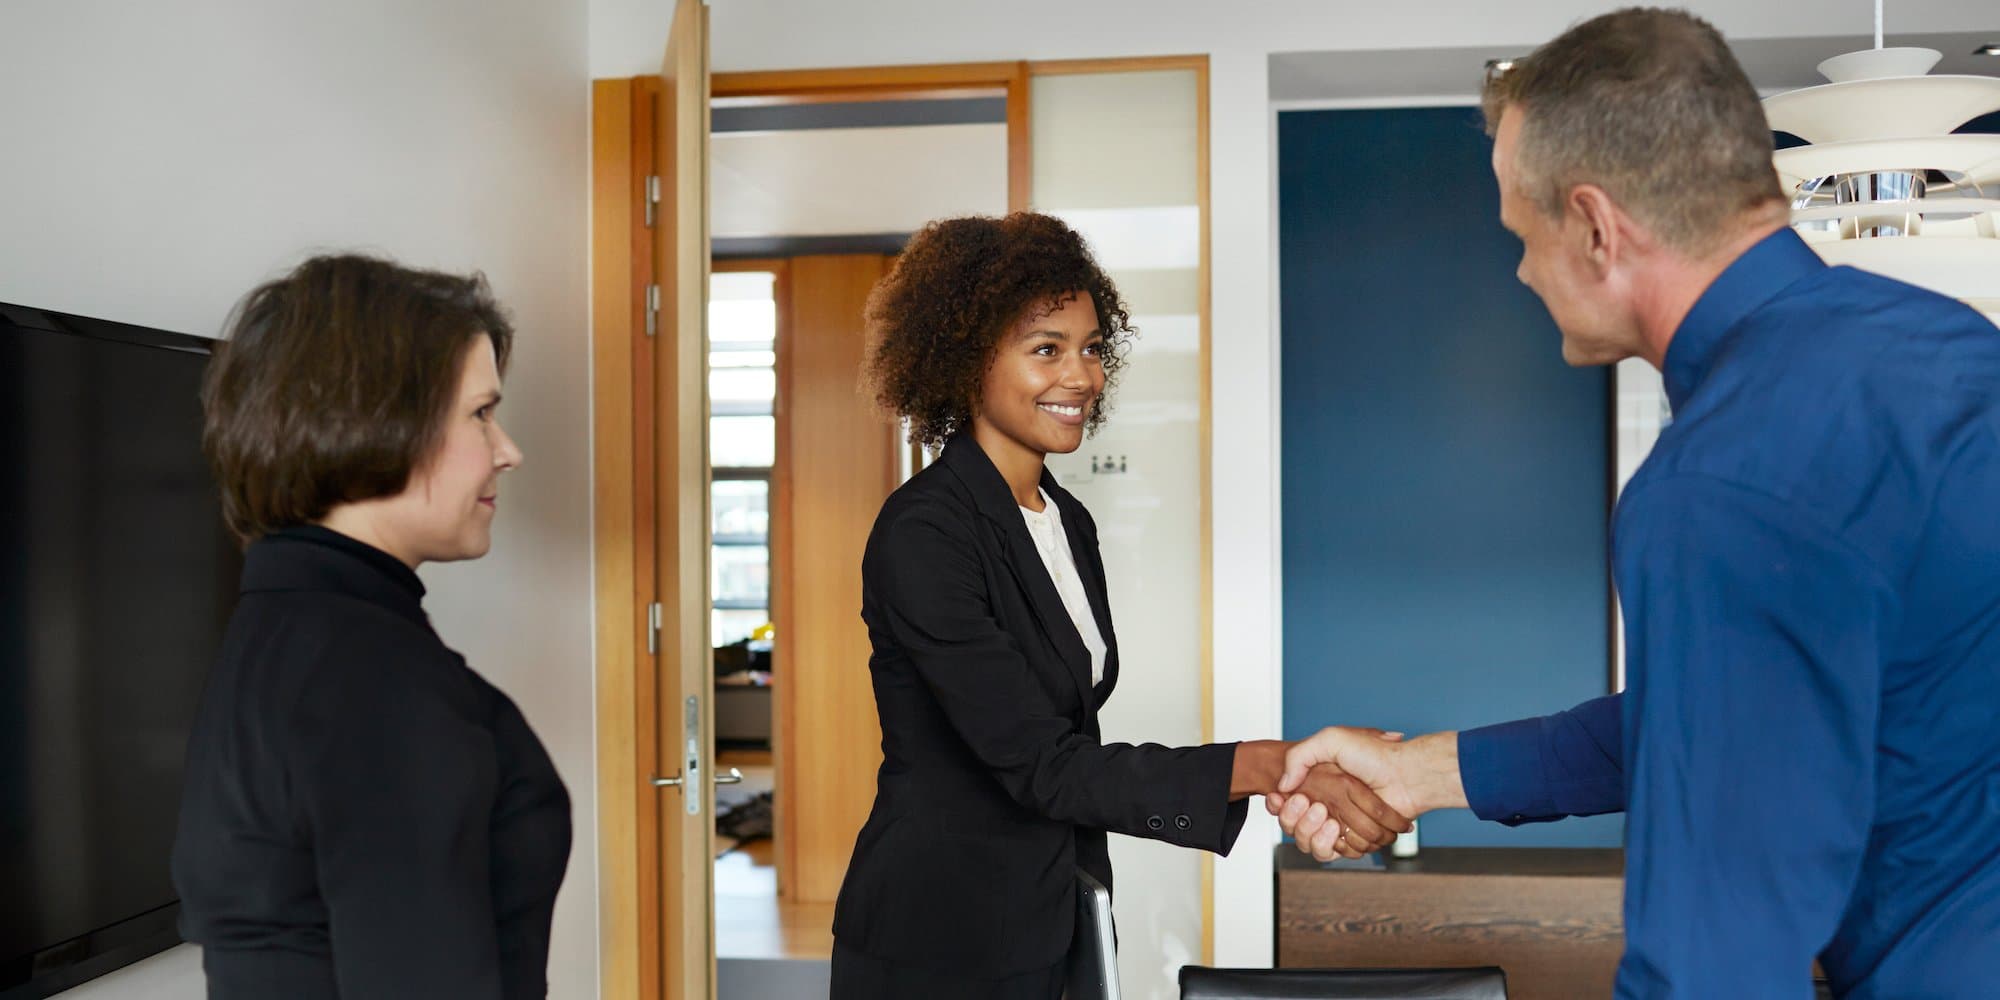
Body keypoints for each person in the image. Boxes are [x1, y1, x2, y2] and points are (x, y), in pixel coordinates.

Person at [1276, 9, 2000, 998]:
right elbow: (1740, 708)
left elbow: (1711, 961)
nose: (1521, 270)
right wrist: (1421, 773)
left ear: (1594, 227)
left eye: (1521, 235)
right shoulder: (1952, 345)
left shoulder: (1715, 485)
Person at [832, 212, 1410, 999]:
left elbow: (1070, 738)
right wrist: (1269, 765)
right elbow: (1042, 763)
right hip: (942, 936)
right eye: (1047, 349)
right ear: (967, 360)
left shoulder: (1066, 520)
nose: (1082, 376)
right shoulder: (924, 532)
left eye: (1092, 348)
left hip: (1057, 911)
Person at [171, 255, 571, 999]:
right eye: (481, 414)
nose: (508, 451)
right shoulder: (370, 679)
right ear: (377, 420)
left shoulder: (285, 624)